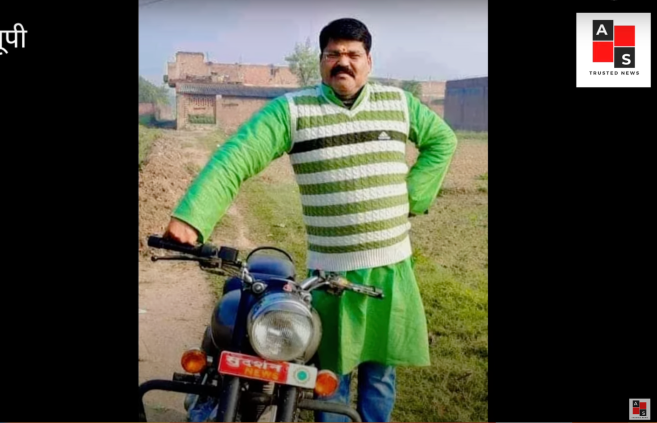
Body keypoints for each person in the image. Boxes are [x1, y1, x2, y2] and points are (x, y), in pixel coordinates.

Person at [164, 17, 457, 422]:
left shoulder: (400, 104)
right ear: (321, 61)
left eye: (353, 54)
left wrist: (415, 195)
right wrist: (191, 218)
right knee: (330, 377)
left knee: (381, 375)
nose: (343, 62)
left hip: (392, 269)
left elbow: (443, 140)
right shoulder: (293, 110)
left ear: (369, 60)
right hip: (331, 277)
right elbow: (238, 155)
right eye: (333, 54)